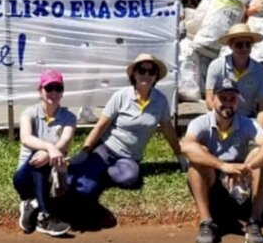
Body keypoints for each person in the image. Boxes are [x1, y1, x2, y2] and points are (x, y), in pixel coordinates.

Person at [182, 77, 263, 243]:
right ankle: (206, 222)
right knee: (197, 157)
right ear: (212, 100)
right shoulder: (200, 123)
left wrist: (245, 168)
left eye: (232, 99)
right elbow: (186, 146)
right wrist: (224, 167)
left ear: (238, 101)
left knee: (261, 155)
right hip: (213, 182)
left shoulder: (248, 123)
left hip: (240, 182)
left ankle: (254, 222)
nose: (227, 103)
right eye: (223, 98)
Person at [69, 54, 181, 199]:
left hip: (129, 157)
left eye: (151, 72)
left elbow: (168, 130)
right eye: (142, 70)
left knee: (130, 178)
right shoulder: (121, 96)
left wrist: (179, 155)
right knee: (86, 186)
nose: (146, 75)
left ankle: (97, 170)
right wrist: (85, 150)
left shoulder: (161, 100)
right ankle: (83, 170)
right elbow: (101, 125)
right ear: (134, 73)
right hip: (106, 148)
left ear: (156, 76)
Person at [14, 69, 75, 237]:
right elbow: (25, 138)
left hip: (53, 177)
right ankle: (44, 217)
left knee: (44, 159)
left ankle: (31, 204)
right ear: (40, 90)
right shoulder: (29, 113)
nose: (54, 92)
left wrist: (50, 151)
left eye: (58, 88)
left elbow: (65, 141)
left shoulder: (69, 117)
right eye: (49, 88)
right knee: (38, 158)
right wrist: (49, 148)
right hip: (24, 178)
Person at [204, 24, 263, 130]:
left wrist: (259, 131)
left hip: (247, 120)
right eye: (239, 44)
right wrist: (227, 120)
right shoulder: (216, 65)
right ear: (230, 45)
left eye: (248, 44)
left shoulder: (262, 71)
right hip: (220, 117)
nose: (244, 48)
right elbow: (209, 101)